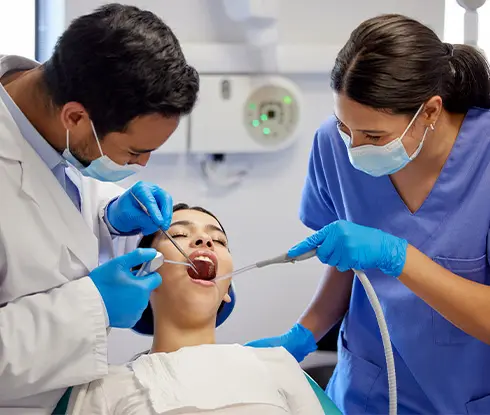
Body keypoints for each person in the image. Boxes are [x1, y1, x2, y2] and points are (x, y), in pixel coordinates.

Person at [248, 13, 490, 414]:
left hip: (464, 397)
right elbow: (350, 261)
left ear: (430, 111)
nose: (355, 149)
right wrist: (304, 334)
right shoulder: (332, 143)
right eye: (346, 128)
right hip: (368, 390)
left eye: (374, 136)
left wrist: (399, 256)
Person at [0, 3, 199, 412]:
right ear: (75, 117)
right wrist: (94, 306)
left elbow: (55, 205)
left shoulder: (58, 116)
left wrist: (110, 216)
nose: (142, 166)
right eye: (134, 151)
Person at [67, 203, 324, 414]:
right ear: (142, 276)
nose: (205, 241)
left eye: (219, 240)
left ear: (227, 290)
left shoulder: (277, 365)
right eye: (179, 235)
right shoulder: (105, 387)